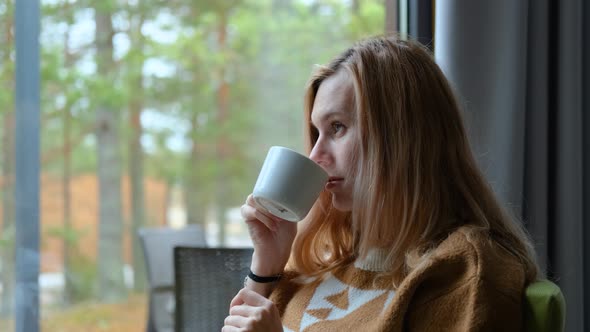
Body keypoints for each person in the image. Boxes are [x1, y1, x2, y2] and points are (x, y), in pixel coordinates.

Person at [222, 35, 541, 332]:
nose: (316, 155)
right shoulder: (327, 258)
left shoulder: (463, 273)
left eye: (337, 127)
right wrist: (265, 265)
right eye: (316, 133)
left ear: (402, 138)